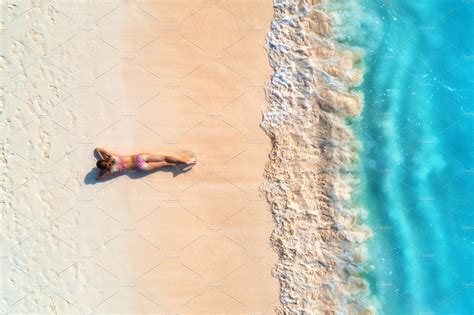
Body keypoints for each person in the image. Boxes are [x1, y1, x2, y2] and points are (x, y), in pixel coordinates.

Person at [95, 147, 196, 180]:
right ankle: (186, 161)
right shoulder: (112, 157)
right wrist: (103, 157)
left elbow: (99, 178)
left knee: (164, 163)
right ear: (104, 160)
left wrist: (105, 169)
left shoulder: (111, 170)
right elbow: (98, 149)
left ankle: (183, 164)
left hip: (140, 166)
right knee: (164, 157)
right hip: (139, 158)